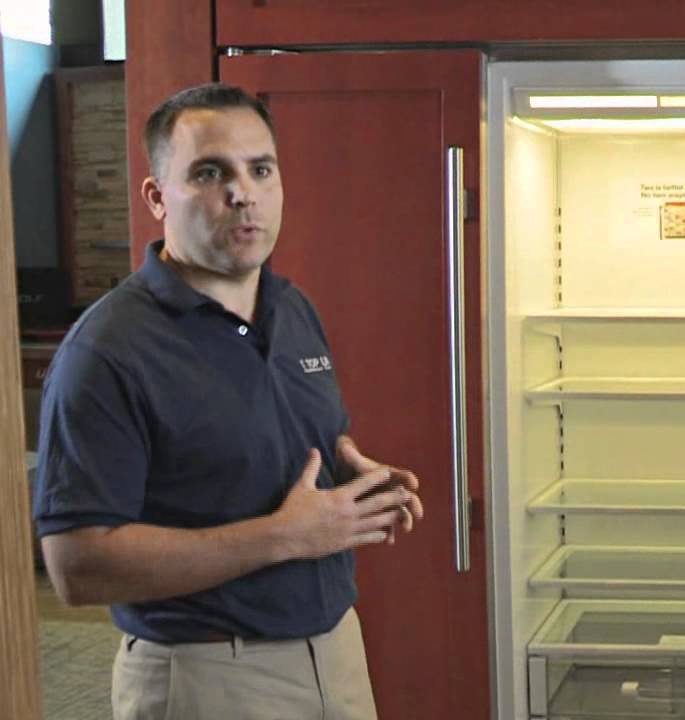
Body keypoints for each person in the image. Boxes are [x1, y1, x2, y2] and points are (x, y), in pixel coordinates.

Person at [31, 83, 423, 720]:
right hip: (208, 674)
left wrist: (355, 487)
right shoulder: (107, 350)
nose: (242, 192)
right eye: (210, 173)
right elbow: (78, 566)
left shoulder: (292, 308)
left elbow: (271, 456)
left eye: (260, 169)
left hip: (337, 654)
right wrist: (284, 537)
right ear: (158, 197)